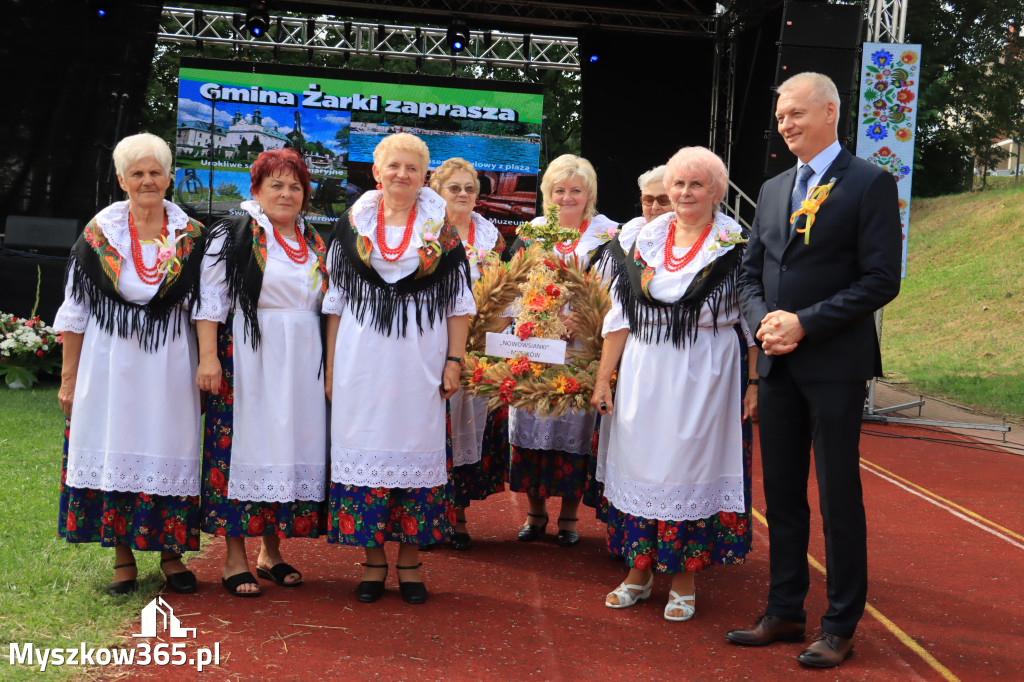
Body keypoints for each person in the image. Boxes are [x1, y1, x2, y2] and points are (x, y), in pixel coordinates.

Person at [729, 72, 901, 667]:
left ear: (830, 111)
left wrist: (805, 321)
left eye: (796, 114)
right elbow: (751, 272)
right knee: (780, 495)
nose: (785, 125)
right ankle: (783, 609)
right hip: (776, 364)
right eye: (780, 117)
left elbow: (882, 279)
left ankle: (840, 623)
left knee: (837, 497)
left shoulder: (870, 183)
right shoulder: (774, 188)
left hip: (833, 365)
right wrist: (765, 322)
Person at [590, 146, 757, 621]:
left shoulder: (733, 246)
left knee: (688, 472)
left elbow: (749, 322)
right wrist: (605, 378)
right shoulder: (641, 242)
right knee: (641, 467)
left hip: (706, 373)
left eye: (696, 184)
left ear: (717, 192)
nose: (684, 193)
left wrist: (755, 383)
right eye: (678, 184)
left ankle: (684, 581)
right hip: (644, 371)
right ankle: (638, 573)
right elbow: (620, 316)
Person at [324, 133, 473, 603]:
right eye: (393, 166)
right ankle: (372, 562)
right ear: (376, 171)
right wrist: (330, 368)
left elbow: (459, 303)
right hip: (360, 360)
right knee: (364, 448)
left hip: (420, 361)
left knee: (416, 449)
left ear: (424, 176)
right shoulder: (350, 226)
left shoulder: (440, 228)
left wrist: (454, 360)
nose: (401, 175)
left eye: (412, 168)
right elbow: (335, 302)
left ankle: (409, 561)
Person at [55, 132, 206, 596]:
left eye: (155, 172)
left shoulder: (192, 236)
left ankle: (171, 554)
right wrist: (68, 379)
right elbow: (75, 310)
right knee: (114, 447)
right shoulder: (98, 235)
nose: (147, 181)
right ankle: (122, 556)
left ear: (169, 178)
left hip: (170, 364)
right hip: (109, 365)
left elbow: (206, 306)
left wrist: (208, 363)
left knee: (170, 447)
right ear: (121, 180)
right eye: (137, 173)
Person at [194, 148, 329, 597]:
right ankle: (234, 558)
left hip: (301, 359)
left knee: (286, 449)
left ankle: (271, 552)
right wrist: (209, 359)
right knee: (241, 451)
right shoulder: (233, 234)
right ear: (256, 190)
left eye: (296, 186)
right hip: (250, 354)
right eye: (277, 185)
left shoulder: (314, 239)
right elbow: (210, 303)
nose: (287, 194)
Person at [506, 154, 618, 547]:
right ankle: (535, 515)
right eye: (559, 190)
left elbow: (615, 295)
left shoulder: (609, 236)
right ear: (546, 194)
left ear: (589, 194)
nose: (566, 197)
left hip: (583, 348)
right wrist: (530, 321)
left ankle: (569, 518)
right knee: (533, 423)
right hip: (535, 345)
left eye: (575, 190)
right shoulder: (533, 232)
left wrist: (587, 320)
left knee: (575, 425)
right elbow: (511, 286)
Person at [585, 163, 672, 520]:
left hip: (677, 361)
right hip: (628, 356)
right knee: (630, 447)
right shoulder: (622, 242)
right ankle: (627, 532)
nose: (652, 207)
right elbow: (607, 305)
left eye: (662, 200)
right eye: (647, 200)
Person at [430, 157, 508, 550]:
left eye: (470, 188)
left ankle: (457, 516)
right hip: (429, 343)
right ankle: (425, 516)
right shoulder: (426, 232)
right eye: (454, 188)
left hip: (477, 346)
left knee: (466, 428)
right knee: (432, 429)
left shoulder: (491, 236)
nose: (463, 195)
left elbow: (503, 290)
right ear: (437, 191)